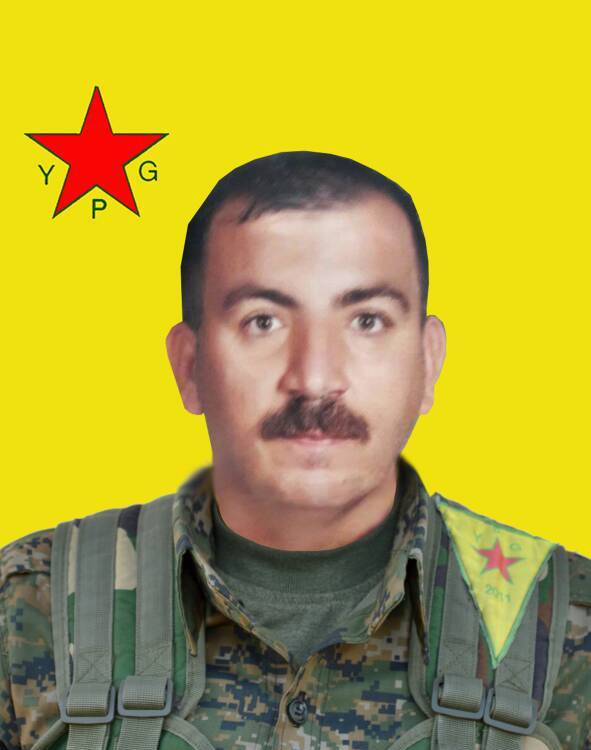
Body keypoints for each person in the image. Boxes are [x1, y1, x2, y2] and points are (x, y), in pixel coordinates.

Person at [1, 151, 589, 750]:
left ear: (428, 360)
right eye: (263, 321)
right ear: (190, 366)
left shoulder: (571, 628)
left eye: (367, 320)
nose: (314, 379)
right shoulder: (29, 604)